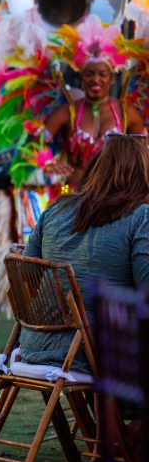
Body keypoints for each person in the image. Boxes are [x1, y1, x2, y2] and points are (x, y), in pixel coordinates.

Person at [20, 134, 149, 371]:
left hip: (34, 344)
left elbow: (25, 275)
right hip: (95, 350)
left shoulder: (57, 208)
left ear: (98, 167)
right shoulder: (141, 217)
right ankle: (121, 408)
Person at [41, 18, 146, 189]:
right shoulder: (68, 112)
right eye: (89, 74)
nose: (95, 80)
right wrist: (47, 162)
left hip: (115, 198)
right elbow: (34, 143)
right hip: (75, 195)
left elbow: (144, 153)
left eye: (102, 74)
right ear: (82, 77)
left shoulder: (127, 112)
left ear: (111, 78)